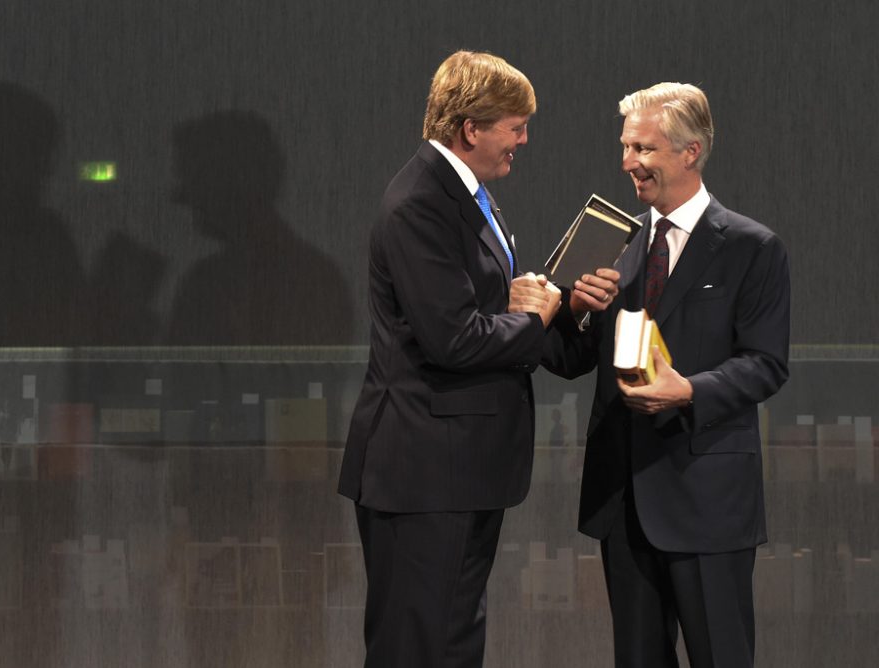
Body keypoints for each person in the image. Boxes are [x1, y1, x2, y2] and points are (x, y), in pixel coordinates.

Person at [338, 50, 617, 668]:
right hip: (424, 472)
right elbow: (455, 340)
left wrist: (572, 307)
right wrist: (533, 314)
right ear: (471, 128)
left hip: (458, 471)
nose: (524, 139)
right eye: (515, 126)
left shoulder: (470, 199)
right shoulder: (420, 203)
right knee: (417, 647)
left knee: (453, 641)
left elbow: (517, 325)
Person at [559, 83, 790, 667]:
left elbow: (766, 363)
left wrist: (688, 391)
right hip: (624, 504)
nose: (627, 162)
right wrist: (575, 313)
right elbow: (572, 360)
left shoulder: (751, 248)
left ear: (690, 152)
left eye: (643, 148)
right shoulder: (619, 243)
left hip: (708, 502)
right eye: (625, 146)